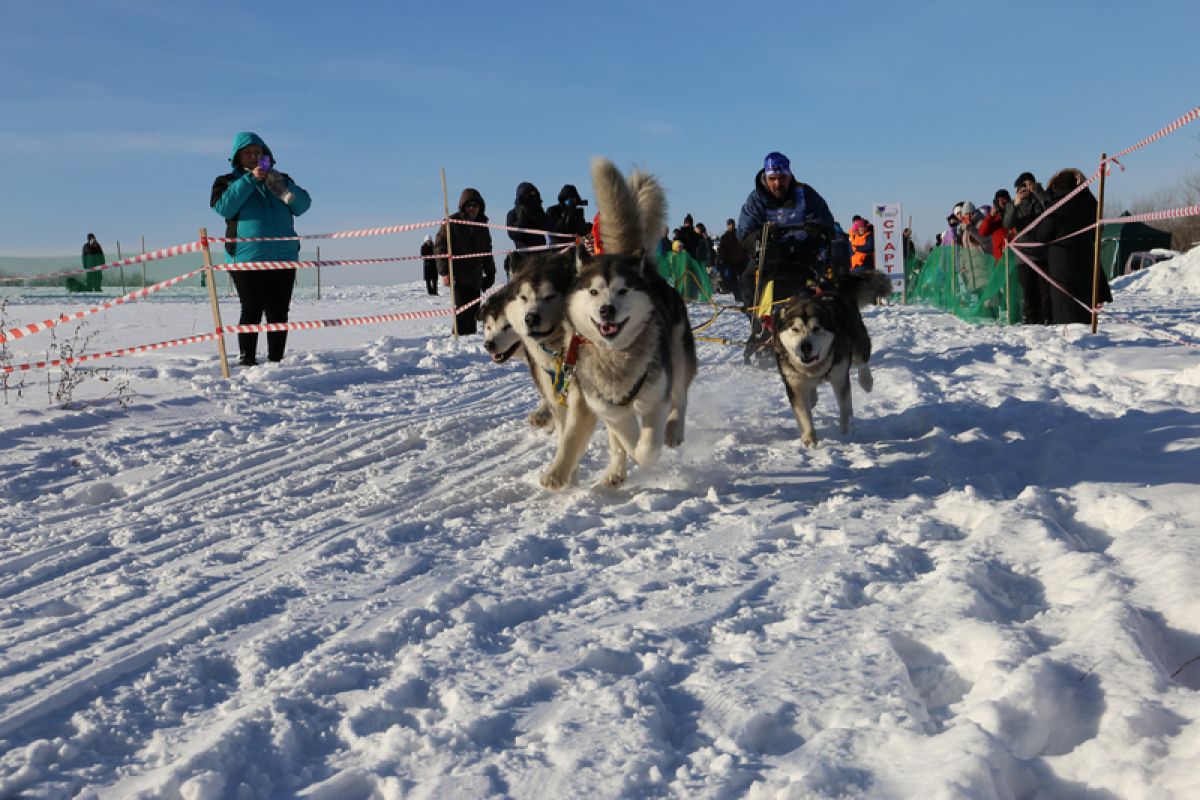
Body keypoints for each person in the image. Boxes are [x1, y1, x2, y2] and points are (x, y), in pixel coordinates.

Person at [211, 131, 311, 366]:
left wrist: (280, 185)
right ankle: (247, 358)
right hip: (246, 258)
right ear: (238, 157)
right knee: (251, 308)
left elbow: (303, 206)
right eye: (248, 153)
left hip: (283, 256)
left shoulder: (281, 178)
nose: (254, 156)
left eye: (259, 152)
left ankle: (276, 360)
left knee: (279, 312)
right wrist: (250, 180)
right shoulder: (226, 181)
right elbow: (224, 208)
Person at [735, 151, 836, 306]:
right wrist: (760, 237)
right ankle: (758, 322)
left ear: (789, 176)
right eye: (772, 179)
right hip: (770, 255)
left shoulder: (806, 194)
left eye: (782, 178)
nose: (777, 183)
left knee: (828, 282)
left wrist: (818, 230)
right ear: (766, 178)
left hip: (803, 252)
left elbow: (825, 220)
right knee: (748, 281)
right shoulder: (756, 199)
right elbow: (744, 230)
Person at [1036, 168, 1112, 325]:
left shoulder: (1056, 208)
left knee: (1067, 316)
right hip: (1087, 263)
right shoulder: (1089, 203)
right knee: (1085, 314)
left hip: (1063, 268)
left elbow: (1042, 235)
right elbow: (1097, 231)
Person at [436, 188, 496, 335]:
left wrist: (490, 273)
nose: (472, 209)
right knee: (462, 312)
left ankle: (468, 344)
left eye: (475, 206)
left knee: (474, 313)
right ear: (463, 206)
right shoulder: (451, 223)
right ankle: (458, 344)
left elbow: (487, 251)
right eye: (469, 206)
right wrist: (444, 272)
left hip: (475, 277)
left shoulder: (482, 225)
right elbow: (439, 248)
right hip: (458, 276)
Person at [1004, 171, 1051, 324]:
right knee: (1029, 293)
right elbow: (1007, 224)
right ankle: (1031, 322)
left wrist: (1037, 191)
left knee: (1045, 292)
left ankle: (1048, 320)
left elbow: (1050, 209)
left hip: (1041, 253)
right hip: (1023, 257)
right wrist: (1016, 204)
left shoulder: (1039, 198)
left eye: (1028, 186)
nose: (1025, 190)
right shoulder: (1013, 205)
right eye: (1022, 188)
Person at [505, 182, 551, 279]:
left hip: (541, 261)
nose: (532, 199)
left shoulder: (540, 213)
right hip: (522, 262)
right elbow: (513, 234)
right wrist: (523, 217)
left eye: (534, 196)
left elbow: (551, 229)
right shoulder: (514, 214)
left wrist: (539, 216)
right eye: (529, 196)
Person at [716, 218, 748, 300]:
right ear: (727, 225)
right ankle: (738, 296)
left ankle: (743, 296)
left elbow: (745, 246)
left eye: (732, 224)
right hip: (730, 262)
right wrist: (722, 260)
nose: (731, 226)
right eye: (730, 224)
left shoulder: (739, 234)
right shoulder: (725, 237)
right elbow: (722, 250)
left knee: (743, 279)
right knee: (733, 281)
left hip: (741, 261)